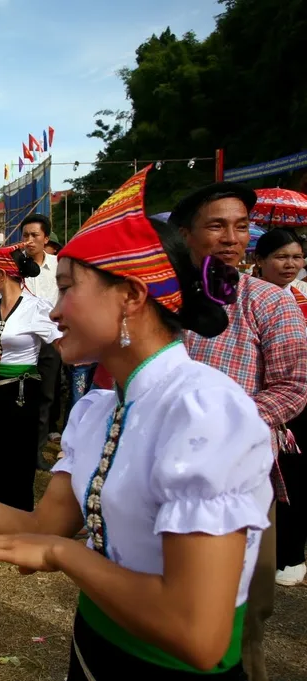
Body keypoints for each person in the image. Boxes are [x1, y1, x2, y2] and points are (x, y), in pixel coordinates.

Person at [0, 166, 273, 680]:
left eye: (67, 290)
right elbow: (41, 526)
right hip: (91, 652)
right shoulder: (99, 408)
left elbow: (198, 636)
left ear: (131, 296)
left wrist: (66, 555)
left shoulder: (204, 412)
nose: (56, 312)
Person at [174, 183, 307, 681]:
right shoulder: (161, 299)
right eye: (217, 225)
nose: (232, 238)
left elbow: (293, 387)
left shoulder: (267, 301)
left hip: (240, 476)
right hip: (163, 471)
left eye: (241, 226)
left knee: (243, 606)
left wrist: (225, 427)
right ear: (185, 234)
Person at [0, 244, 60, 515]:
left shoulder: (36, 308)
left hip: (21, 394)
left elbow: (61, 343)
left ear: (3, 274)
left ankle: (15, 518)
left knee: (15, 459)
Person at [253, 228, 307, 587]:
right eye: (281, 257)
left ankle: (290, 554)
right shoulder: (246, 298)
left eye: (297, 257)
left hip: (300, 401)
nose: (290, 264)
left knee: (297, 480)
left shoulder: (303, 296)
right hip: (264, 402)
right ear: (259, 260)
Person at [20, 214, 62, 465]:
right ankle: (18, 447)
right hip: (21, 342)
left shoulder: (59, 265)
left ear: (46, 238)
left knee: (46, 396)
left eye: (35, 235)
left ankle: (37, 451)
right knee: (20, 396)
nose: (29, 240)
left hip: (50, 340)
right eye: (25, 235)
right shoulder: (13, 265)